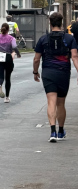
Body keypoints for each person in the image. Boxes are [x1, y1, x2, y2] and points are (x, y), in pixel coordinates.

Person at [33, 12, 78, 142]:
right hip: (63, 73)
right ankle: (61, 131)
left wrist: (35, 72)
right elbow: (75, 57)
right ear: (62, 23)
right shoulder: (69, 39)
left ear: (50, 23)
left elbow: (36, 59)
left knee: (51, 101)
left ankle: (53, 131)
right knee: (61, 103)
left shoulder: (43, 39)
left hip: (48, 73)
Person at [0, 23, 21, 102]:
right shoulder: (11, 38)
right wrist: (18, 53)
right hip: (8, 56)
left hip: (0, 57)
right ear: (8, 29)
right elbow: (14, 46)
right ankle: (7, 97)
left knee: (1, 76)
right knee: (8, 78)